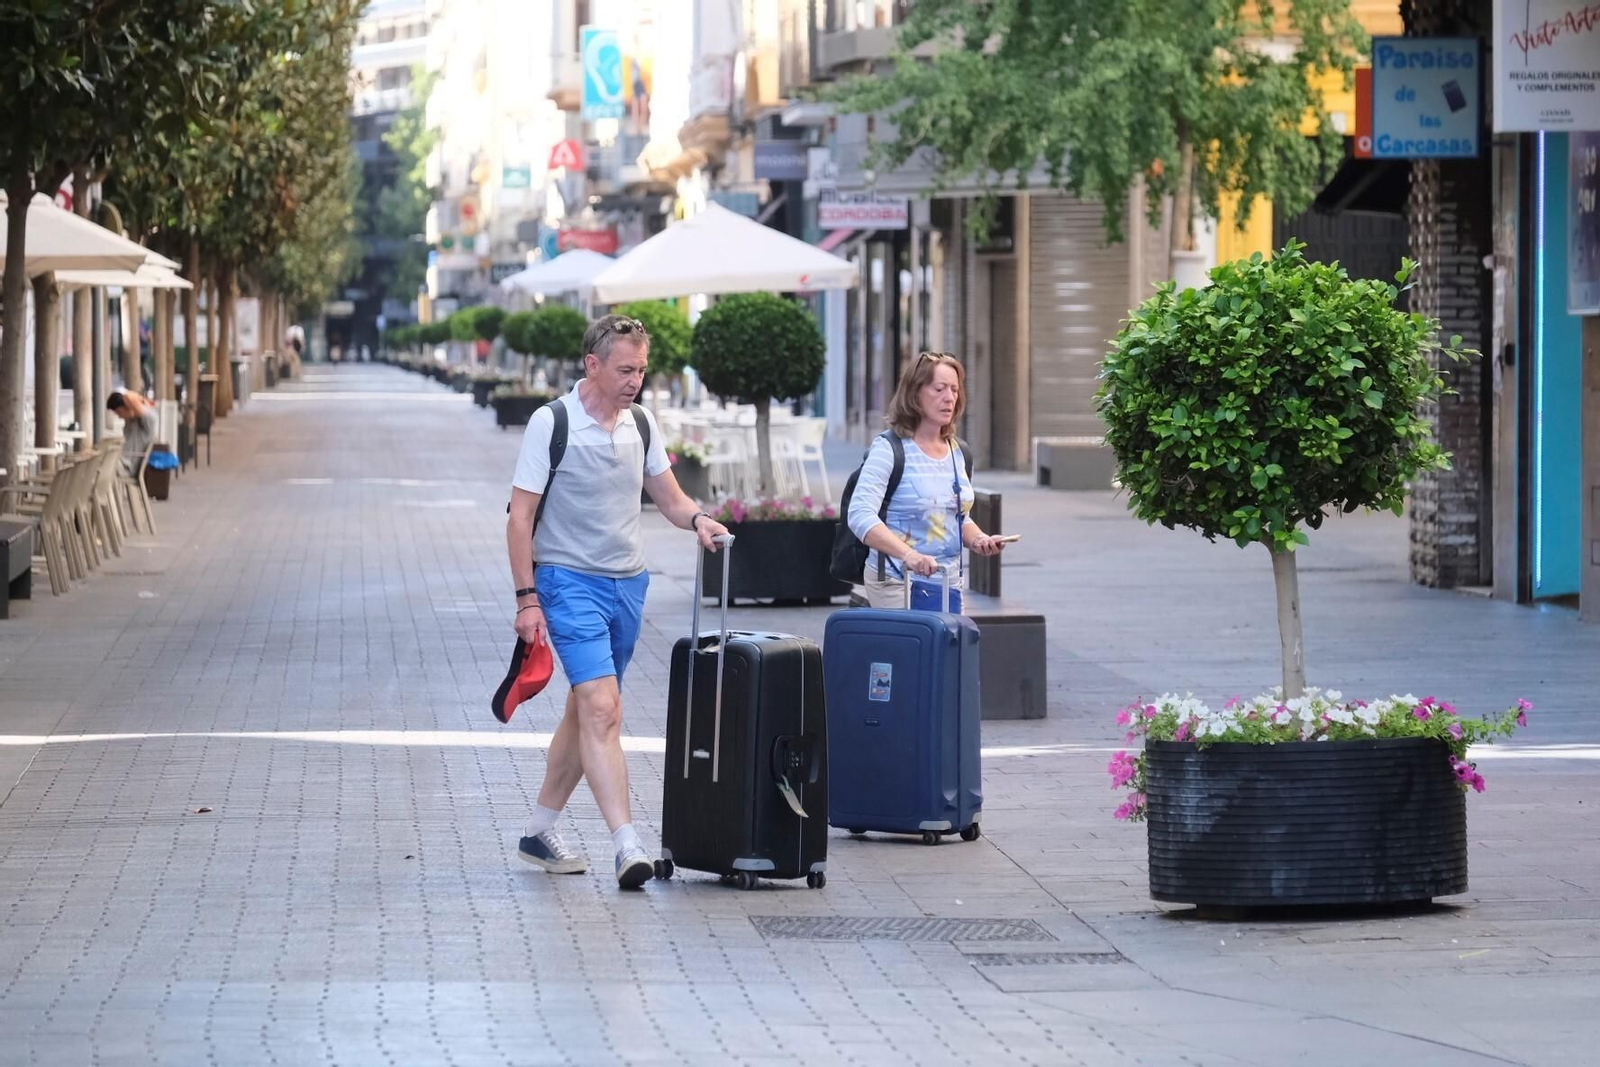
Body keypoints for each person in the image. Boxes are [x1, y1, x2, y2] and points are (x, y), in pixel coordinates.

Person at [506, 313, 732, 889]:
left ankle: (539, 830)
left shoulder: (642, 425)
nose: (636, 380)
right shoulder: (550, 423)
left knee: (587, 710)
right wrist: (527, 599)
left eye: (641, 370)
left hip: (628, 585)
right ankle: (627, 845)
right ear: (593, 365)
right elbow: (521, 519)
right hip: (566, 581)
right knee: (604, 708)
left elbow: (672, 499)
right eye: (626, 370)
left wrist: (701, 520)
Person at [846, 351, 1008, 610]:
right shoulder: (889, 449)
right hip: (896, 580)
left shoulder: (958, 451)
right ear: (915, 394)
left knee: (946, 650)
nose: (949, 398)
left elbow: (957, 517)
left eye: (955, 390)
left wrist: (978, 539)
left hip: (948, 582)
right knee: (913, 649)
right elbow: (860, 514)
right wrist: (908, 555)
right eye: (939, 389)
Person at [105, 391, 159, 475]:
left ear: (128, 407)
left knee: (99, 469)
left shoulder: (148, 419)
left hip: (129, 466)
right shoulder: (131, 420)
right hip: (123, 462)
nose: (120, 416)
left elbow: (128, 397)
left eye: (119, 412)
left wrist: (141, 400)